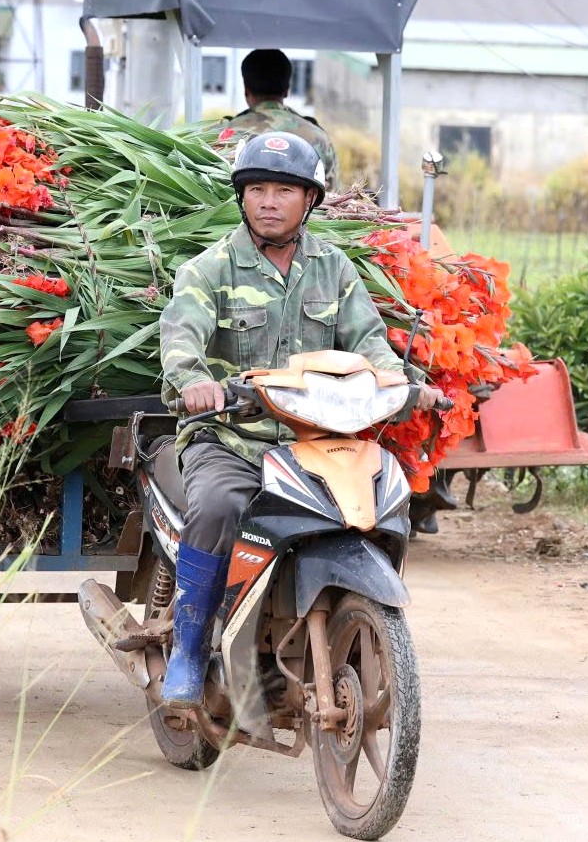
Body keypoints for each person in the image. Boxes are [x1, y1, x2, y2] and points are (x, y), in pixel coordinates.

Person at [156, 131, 438, 708]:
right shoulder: (209, 269)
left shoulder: (334, 270)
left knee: (385, 500)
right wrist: (195, 383)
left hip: (318, 439)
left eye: (284, 190)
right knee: (218, 506)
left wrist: (403, 384)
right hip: (233, 438)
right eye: (256, 188)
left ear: (309, 199)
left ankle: (355, 630)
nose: (268, 201)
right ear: (241, 197)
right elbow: (181, 338)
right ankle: (188, 648)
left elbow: (369, 342)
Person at [213, 49, 340, 191]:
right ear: (287, 90)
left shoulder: (222, 134)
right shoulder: (318, 137)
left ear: (246, 90)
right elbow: (332, 197)